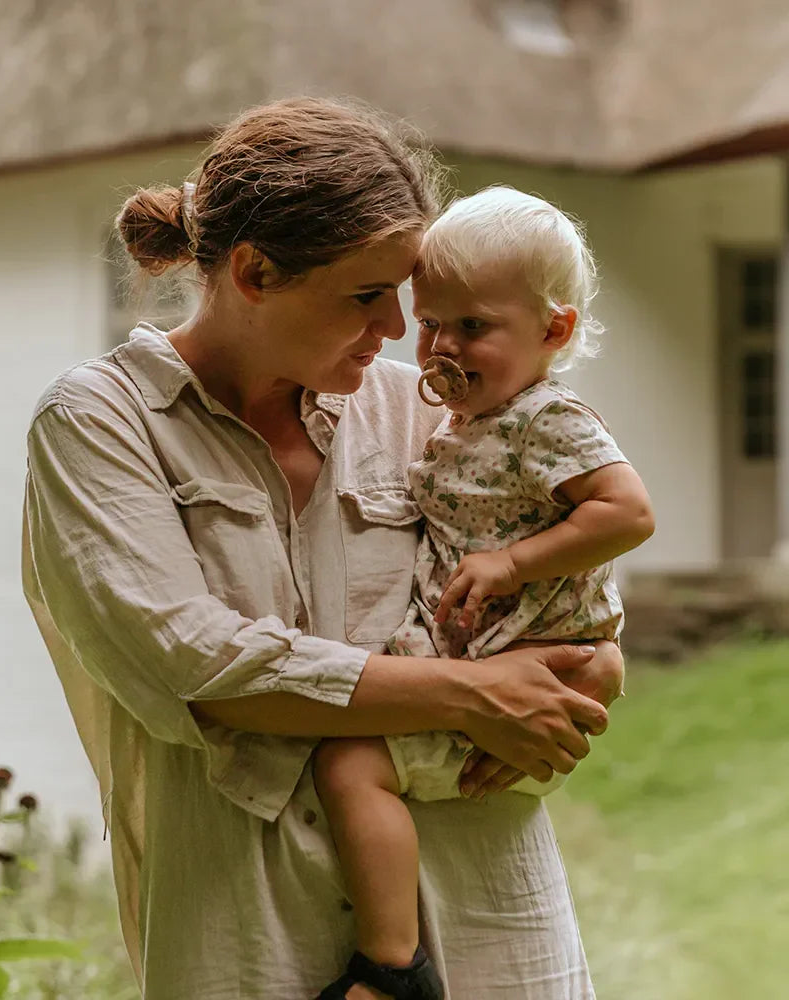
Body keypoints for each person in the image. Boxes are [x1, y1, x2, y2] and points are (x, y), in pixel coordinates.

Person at [21, 98, 624, 1000]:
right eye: (366, 296)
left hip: (491, 912)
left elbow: (568, 573)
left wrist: (592, 670)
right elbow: (193, 665)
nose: (399, 331)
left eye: (406, 296)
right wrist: (474, 691)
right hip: (248, 928)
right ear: (255, 272)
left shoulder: (437, 410)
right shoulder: (100, 424)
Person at [312, 186, 654, 998]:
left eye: (474, 327)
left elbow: (629, 512)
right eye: (431, 321)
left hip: (522, 662)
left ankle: (391, 965)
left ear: (554, 330)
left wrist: (515, 564)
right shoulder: (472, 420)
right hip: (487, 663)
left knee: (351, 766)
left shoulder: (548, 418)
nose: (440, 346)